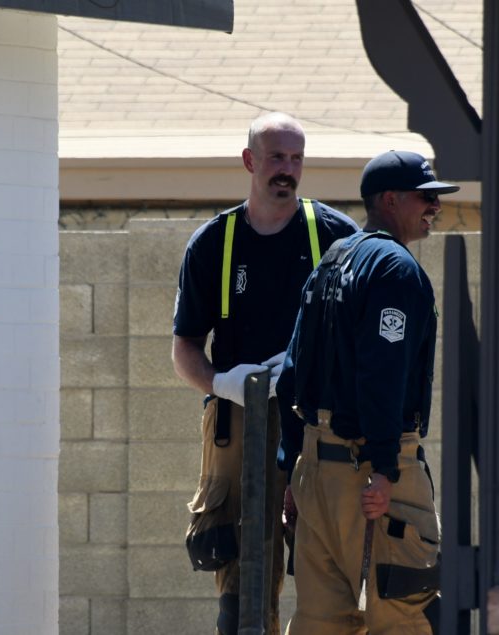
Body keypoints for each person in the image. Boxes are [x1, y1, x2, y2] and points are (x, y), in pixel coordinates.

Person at [172, 112, 359, 634]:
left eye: (296, 158)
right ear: (249, 161)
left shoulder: (337, 238)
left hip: (318, 421)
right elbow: (184, 348)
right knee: (240, 586)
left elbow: (363, 341)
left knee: (332, 572)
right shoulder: (215, 243)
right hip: (237, 423)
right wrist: (221, 383)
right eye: (276, 157)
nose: (287, 169)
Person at [275, 150, 457, 634]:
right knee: (404, 618)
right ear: (390, 200)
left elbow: (291, 376)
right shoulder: (395, 269)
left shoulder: (330, 261)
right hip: (368, 479)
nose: (435, 207)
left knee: (321, 623)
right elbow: (382, 374)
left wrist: (293, 472)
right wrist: (384, 467)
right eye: (425, 197)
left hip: (316, 476)